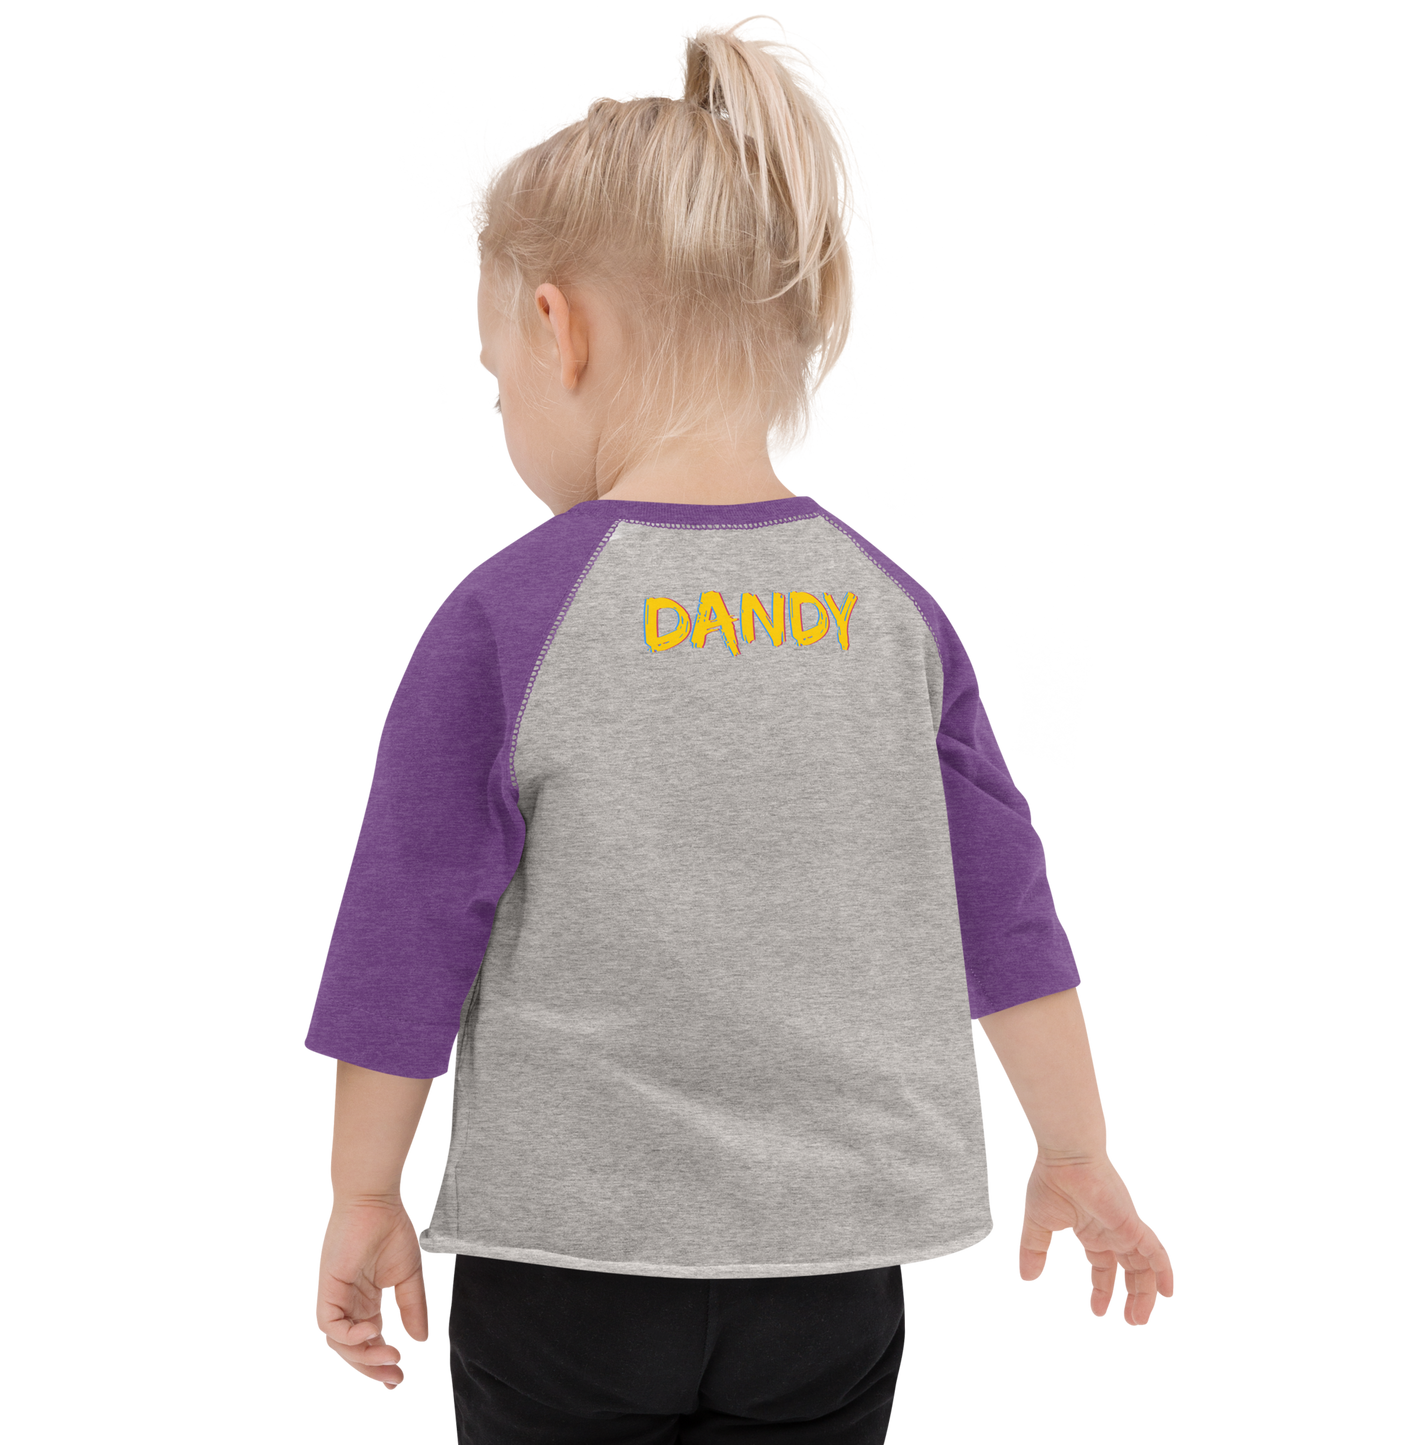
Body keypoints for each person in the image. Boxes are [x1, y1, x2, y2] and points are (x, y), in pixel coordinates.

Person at [305, 12, 1176, 1439]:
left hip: (566, 1265)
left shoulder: (507, 614)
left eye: (495, 364)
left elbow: (403, 931)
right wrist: (1076, 1152)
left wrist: (363, 1195)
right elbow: (1006, 910)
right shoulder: (895, 612)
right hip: (835, 1272)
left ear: (558, 329)